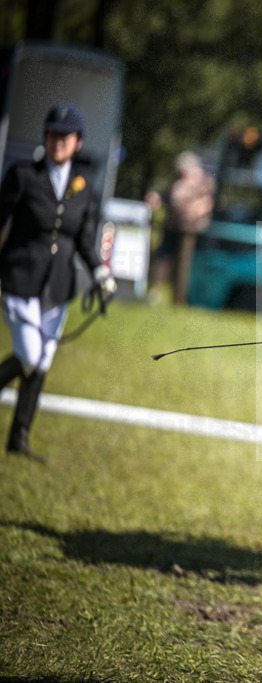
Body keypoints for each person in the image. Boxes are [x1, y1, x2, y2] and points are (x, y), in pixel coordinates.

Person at [0, 102, 116, 463]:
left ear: (78, 142)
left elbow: (84, 237)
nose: (57, 142)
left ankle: (19, 437)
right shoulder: (23, 175)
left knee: (43, 360)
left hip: (59, 284)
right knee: (29, 354)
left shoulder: (84, 184)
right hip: (20, 276)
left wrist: (99, 272)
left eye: (65, 136)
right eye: (52, 135)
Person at [149, 151, 215, 305]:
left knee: (184, 265)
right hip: (172, 228)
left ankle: (180, 298)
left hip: (191, 232)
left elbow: (205, 205)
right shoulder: (176, 183)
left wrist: (195, 207)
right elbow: (166, 199)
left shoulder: (205, 183)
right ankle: (156, 291)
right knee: (163, 258)